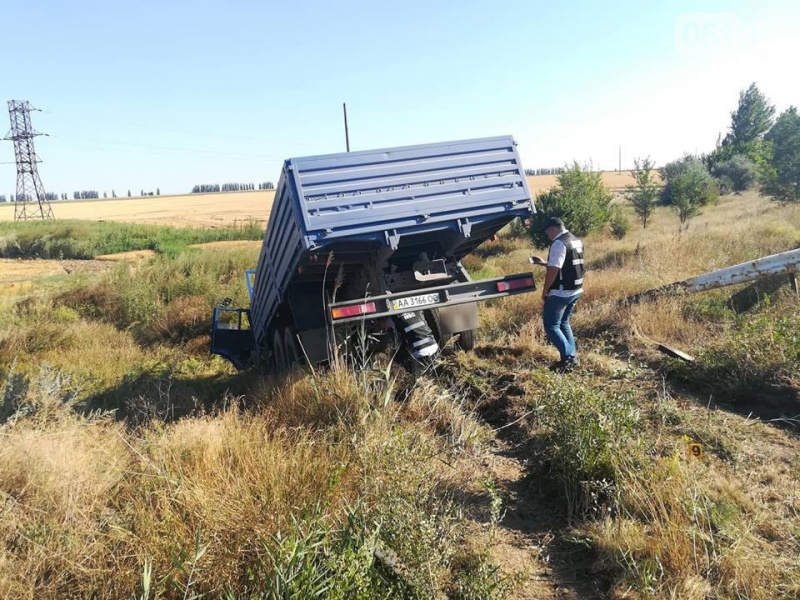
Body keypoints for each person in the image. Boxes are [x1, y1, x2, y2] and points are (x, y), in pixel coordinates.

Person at [530, 217, 584, 371]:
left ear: (553, 228)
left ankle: (568, 359)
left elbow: (554, 270)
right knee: (564, 323)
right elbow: (563, 265)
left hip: (561, 292)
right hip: (576, 289)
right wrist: (543, 263)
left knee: (551, 326)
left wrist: (545, 290)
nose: (547, 235)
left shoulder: (559, 243)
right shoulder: (575, 240)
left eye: (547, 232)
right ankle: (571, 356)